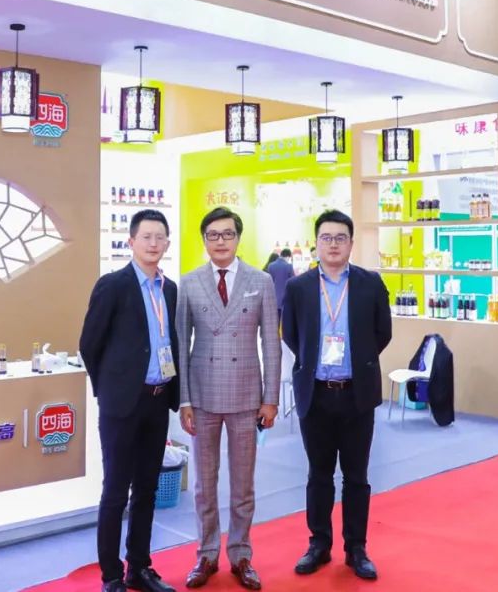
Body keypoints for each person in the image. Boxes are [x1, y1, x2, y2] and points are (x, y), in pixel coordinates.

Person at [280, 209, 392, 581]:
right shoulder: (298, 288)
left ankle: (356, 548)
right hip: (316, 394)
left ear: (351, 243)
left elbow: (382, 332)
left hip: (357, 394)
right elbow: (291, 335)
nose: (333, 244)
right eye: (326, 238)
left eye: (340, 238)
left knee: (357, 476)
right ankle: (319, 544)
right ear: (316, 243)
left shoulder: (369, 283)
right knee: (319, 475)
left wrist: (358, 361)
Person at [177, 207, 281, 590]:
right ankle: (206, 554)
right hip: (202, 396)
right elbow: (181, 344)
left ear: (238, 238)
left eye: (227, 234)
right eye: (213, 235)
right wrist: (184, 400)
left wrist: (271, 398)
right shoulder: (189, 283)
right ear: (204, 240)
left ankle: (240, 554)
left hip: (245, 395)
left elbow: (271, 344)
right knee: (204, 484)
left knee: (243, 484)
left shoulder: (261, 281)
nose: (220, 241)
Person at [79, 209, 180, 592]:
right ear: (131, 241)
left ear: (167, 243)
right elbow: (89, 344)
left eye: (160, 237)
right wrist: (110, 388)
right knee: (116, 491)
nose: (154, 243)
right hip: (122, 404)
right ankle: (111, 576)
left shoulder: (169, 289)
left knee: (147, 489)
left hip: (157, 400)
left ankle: (139, 567)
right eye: (146, 237)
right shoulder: (113, 285)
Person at [265, 248, 295, 317]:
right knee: (285, 321)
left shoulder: (270, 266)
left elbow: (268, 283)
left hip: (273, 299)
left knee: (275, 320)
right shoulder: (289, 266)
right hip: (286, 299)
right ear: (288, 257)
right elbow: (293, 282)